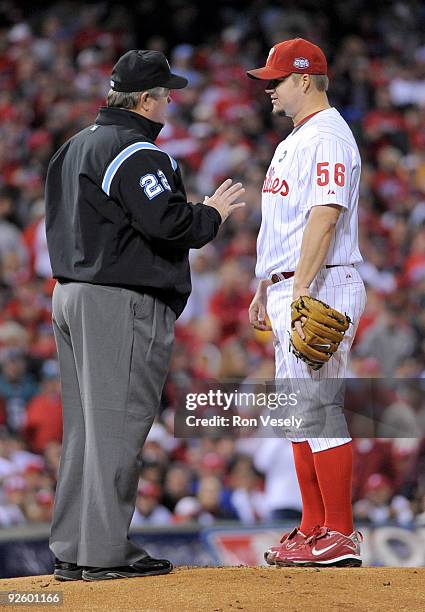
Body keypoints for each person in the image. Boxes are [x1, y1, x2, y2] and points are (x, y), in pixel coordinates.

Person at [45, 49, 245, 581]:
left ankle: (73, 547)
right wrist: (212, 214)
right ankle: (105, 554)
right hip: (117, 302)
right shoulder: (134, 150)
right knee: (117, 430)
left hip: (70, 293)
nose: (171, 101)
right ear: (143, 100)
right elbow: (172, 225)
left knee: (85, 431)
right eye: (164, 94)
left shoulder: (73, 146)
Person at [247, 38, 366, 567]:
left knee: (318, 409)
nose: (268, 88)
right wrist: (263, 286)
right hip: (289, 282)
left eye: (275, 79)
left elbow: (326, 213)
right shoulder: (298, 138)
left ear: (304, 80)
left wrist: (298, 290)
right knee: (298, 413)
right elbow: (285, 224)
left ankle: (340, 531)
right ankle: (313, 526)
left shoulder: (329, 138)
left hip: (321, 283)